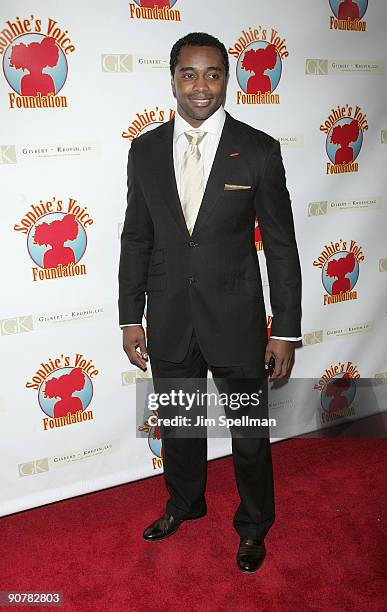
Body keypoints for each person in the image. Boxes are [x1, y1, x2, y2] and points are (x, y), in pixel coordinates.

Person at [118, 32, 302, 573]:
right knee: (179, 426)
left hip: (236, 320)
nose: (201, 86)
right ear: (173, 77)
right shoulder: (145, 149)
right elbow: (136, 236)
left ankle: (253, 525)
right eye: (189, 74)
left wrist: (285, 330)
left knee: (248, 436)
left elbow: (283, 246)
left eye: (213, 74)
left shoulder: (260, 150)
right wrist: (132, 315)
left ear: (228, 78)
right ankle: (184, 504)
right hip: (170, 315)